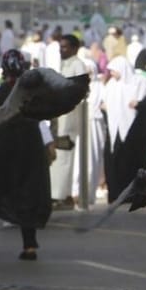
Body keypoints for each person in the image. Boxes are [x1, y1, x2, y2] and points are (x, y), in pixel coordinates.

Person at [0, 51, 53, 260]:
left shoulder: (2, 92)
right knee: (28, 194)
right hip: (31, 149)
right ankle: (29, 245)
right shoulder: (33, 92)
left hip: (2, 149)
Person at [102, 56, 146, 201]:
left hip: (135, 133)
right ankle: (115, 194)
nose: (112, 73)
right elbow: (105, 103)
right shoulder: (112, 84)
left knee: (132, 163)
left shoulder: (140, 83)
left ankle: (133, 195)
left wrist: (139, 104)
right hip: (114, 131)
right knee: (113, 162)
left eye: (114, 70)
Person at [49, 35, 89, 209]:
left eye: (65, 47)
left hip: (69, 117)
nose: (61, 50)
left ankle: (61, 195)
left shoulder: (78, 65)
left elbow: (80, 90)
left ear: (74, 48)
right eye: (60, 47)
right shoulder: (65, 64)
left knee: (65, 155)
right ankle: (55, 194)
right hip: (59, 115)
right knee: (57, 156)